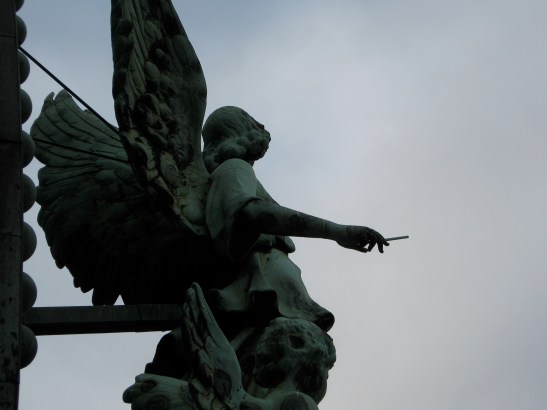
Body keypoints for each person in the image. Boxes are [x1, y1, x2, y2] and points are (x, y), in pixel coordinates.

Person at [202, 106, 389, 334]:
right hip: (259, 297)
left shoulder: (231, 172)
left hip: (269, 297)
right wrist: (338, 231)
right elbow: (251, 214)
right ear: (241, 131)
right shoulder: (234, 168)